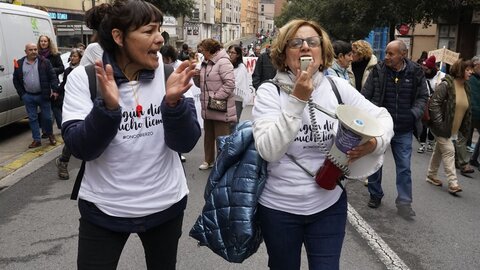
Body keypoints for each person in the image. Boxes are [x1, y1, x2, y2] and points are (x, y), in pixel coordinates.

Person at [61, 1, 200, 268]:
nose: (160, 39)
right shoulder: (87, 78)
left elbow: (185, 141)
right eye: (149, 31)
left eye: (159, 30)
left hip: (165, 205)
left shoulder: (172, 73)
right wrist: (108, 109)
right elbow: (82, 148)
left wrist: (173, 103)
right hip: (103, 210)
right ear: (118, 36)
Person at [252, 19, 394, 270]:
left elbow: (382, 118)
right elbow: (269, 150)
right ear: (284, 55)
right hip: (279, 209)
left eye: (312, 42)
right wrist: (297, 99)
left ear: (322, 52)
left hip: (329, 205)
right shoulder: (269, 92)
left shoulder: (337, 87)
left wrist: (374, 143)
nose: (305, 47)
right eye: (296, 43)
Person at [362, 40, 429, 219]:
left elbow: (423, 96)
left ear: (403, 54)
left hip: (403, 129)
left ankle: (405, 203)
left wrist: (413, 114)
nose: (387, 57)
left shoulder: (416, 72)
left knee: (404, 167)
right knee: (376, 162)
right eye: (386, 53)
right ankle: (375, 194)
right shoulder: (378, 71)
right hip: (380, 128)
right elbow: (365, 97)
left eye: (391, 54)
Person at [426, 59, 474, 193]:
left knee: (439, 150)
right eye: (467, 70)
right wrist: (440, 124)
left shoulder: (466, 87)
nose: (471, 72)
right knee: (449, 151)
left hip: (453, 128)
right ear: (460, 70)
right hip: (440, 126)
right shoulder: (446, 85)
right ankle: (453, 183)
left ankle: (431, 175)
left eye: (471, 69)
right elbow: (434, 104)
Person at [194, 38, 236, 170]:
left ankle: (223, 163)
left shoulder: (223, 62)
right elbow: (200, 85)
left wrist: (215, 98)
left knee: (222, 137)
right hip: (208, 107)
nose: (201, 53)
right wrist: (196, 76)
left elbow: (229, 84)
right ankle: (208, 160)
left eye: (203, 50)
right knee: (209, 136)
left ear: (210, 50)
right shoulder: (205, 63)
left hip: (219, 107)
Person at [13, 43, 59, 148]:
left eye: (35, 49)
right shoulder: (20, 63)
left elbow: (52, 77)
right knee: (32, 118)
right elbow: (16, 79)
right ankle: (36, 140)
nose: (33, 51)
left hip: (43, 95)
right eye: (30, 50)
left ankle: (50, 134)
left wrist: (55, 90)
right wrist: (22, 94)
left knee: (47, 118)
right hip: (28, 96)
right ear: (26, 52)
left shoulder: (44, 62)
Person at [55, 48, 83, 180]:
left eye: (75, 56)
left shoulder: (87, 70)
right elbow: (65, 85)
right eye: (71, 56)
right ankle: (63, 162)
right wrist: (57, 92)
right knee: (72, 136)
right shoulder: (69, 71)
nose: (72, 58)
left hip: (87, 105)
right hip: (73, 107)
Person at [417, 55, 445, 153]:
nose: (425, 71)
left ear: (432, 68)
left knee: (433, 123)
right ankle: (422, 143)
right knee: (424, 122)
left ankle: (430, 142)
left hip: (436, 103)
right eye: (424, 69)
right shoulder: (422, 76)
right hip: (425, 101)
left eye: (427, 69)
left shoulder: (441, 76)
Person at [37, 35, 64, 137]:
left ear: (49, 43)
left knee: (55, 107)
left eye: (45, 41)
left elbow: (61, 68)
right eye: (41, 41)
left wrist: (51, 70)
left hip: (53, 83)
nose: (43, 43)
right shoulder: (37, 55)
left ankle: (62, 128)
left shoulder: (55, 55)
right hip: (42, 84)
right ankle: (46, 131)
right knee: (44, 108)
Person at [227, 44, 250, 121]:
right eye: (229, 52)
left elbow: (237, 83)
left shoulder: (241, 67)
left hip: (237, 99)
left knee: (233, 123)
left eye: (232, 53)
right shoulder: (227, 65)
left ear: (238, 55)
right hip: (227, 98)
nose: (230, 54)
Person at [468, 56, 480, 168]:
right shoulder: (471, 79)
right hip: (473, 112)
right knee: (461, 137)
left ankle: (473, 158)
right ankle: (461, 161)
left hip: (474, 112)